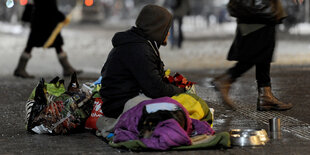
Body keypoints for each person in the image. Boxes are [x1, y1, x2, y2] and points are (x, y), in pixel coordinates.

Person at [211, 0, 303, 111]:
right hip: (259, 11)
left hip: (256, 11)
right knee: (257, 52)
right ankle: (227, 79)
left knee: (263, 53)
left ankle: (265, 95)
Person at [99, 4, 185, 119]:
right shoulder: (139, 49)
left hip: (122, 101)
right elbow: (156, 89)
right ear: (157, 27)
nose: (168, 33)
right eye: (166, 29)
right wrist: (181, 91)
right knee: (175, 110)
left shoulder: (140, 43)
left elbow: (152, 82)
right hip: (119, 107)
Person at [14, 0, 81, 78]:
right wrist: (60, 16)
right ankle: (20, 69)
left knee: (55, 44)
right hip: (44, 21)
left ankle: (67, 68)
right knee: (34, 44)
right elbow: (49, 5)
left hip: (42, 20)